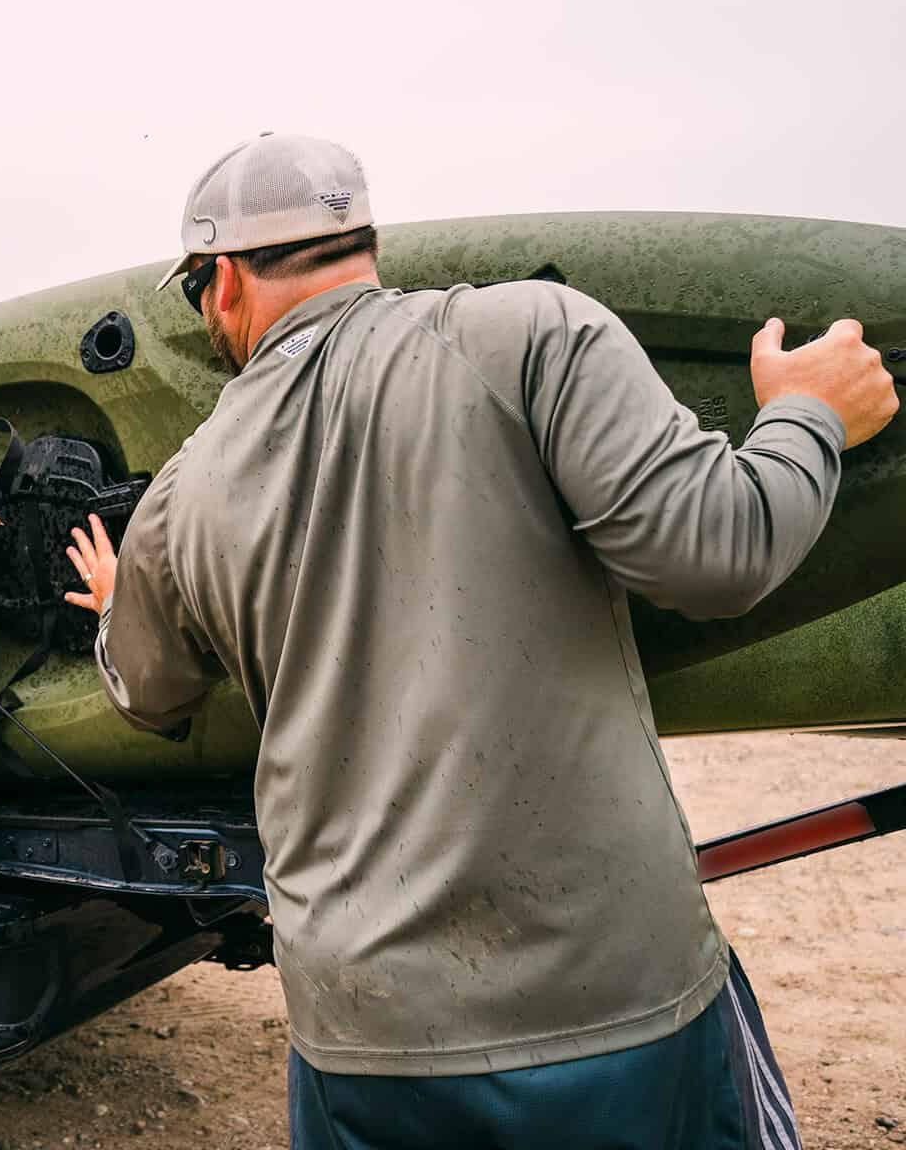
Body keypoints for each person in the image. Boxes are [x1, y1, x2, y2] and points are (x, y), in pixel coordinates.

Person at [61, 133, 898, 1149]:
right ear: (363, 241)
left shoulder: (182, 497)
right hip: (608, 1007)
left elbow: (146, 694)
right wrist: (808, 412)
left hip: (361, 1035)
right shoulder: (532, 336)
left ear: (225, 281)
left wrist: (118, 598)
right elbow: (718, 553)